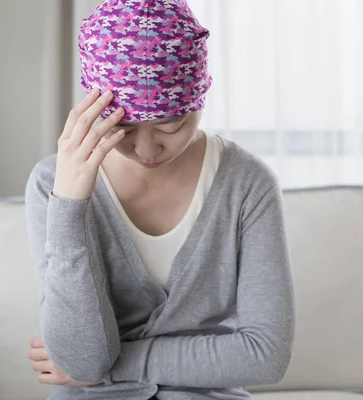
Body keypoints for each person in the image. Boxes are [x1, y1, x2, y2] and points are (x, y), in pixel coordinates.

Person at [24, 1, 295, 399]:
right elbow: (81, 361)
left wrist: (118, 367)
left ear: (200, 97)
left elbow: (265, 354)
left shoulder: (247, 184)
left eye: (171, 124)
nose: (148, 150)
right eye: (126, 128)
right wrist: (69, 204)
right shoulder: (51, 182)